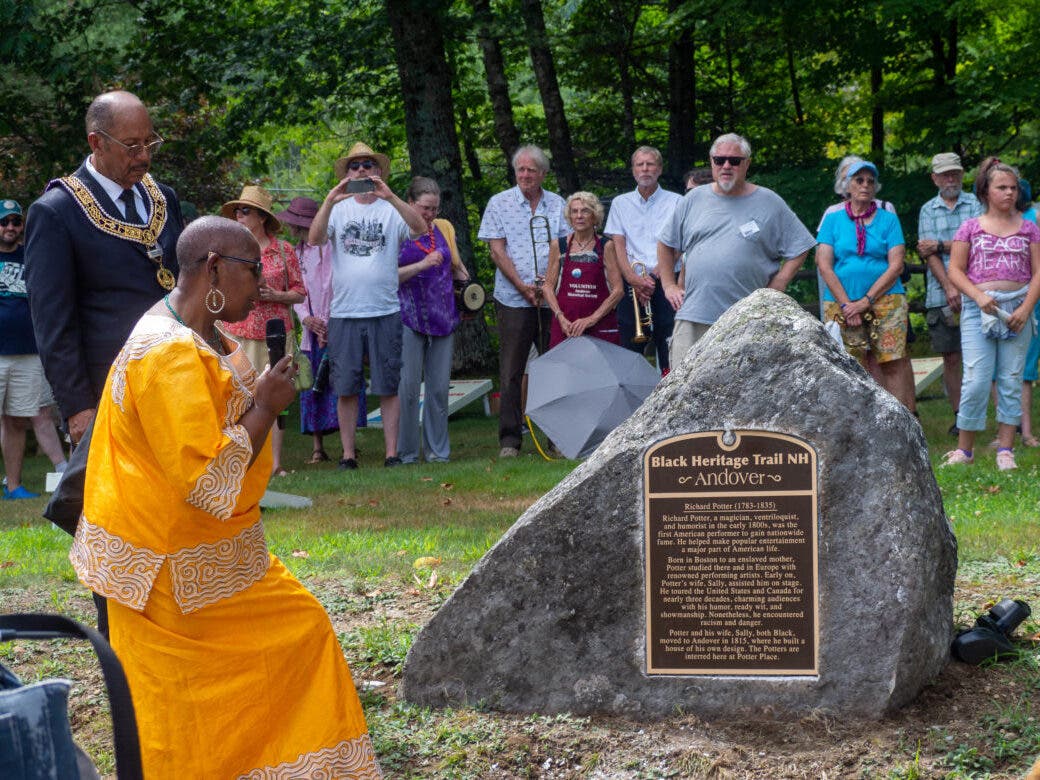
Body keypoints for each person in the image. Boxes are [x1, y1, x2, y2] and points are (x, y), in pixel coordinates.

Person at [69, 216, 381, 777]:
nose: (262, 285)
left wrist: (261, 398)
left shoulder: (207, 336)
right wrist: (266, 408)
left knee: (299, 636)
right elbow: (208, 481)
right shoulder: (165, 354)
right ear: (213, 266)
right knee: (182, 706)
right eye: (252, 270)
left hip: (208, 552)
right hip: (164, 569)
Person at [25, 90, 184, 445]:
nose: (144, 156)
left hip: (176, 378)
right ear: (96, 142)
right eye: (131, 146)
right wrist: (77, 406)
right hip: (108, 388)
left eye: (149, 142)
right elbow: (53, 322)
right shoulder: (56, 212)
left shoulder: (164, 197)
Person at [308, 142, 426, 469]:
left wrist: (391, 197)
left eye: (368, 165)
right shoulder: (338, 209)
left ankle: (391, 454)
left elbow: (420, 229)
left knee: (388, 384)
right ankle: (348, 455)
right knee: (345, 385)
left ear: (378, 172)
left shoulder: (391, 209)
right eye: (355, 166)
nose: (361, 170)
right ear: (346, 174)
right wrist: (330, 200)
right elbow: (315, 238)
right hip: (345, 312)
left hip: (385, 309)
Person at [658, 133, 815, 367]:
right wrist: (669, 285)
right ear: (711, 162)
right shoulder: (693, 199)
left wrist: (781, 281)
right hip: (694, 315)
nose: (726, 166)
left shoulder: (769, 201)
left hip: (749, 318)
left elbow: (801, 245)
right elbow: (665, 243)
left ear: (747, 164)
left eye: (734, 160)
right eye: (719, 160)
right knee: (685, 391)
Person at [942, 158, 1040, 470]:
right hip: (978, 310)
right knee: (976, 379)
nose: (1009, 193)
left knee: (1011, 378)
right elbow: (955, 271)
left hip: (1018, 308)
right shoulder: (969, 228)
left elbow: (1038, 273)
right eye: (1002, 187)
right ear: (986, 191)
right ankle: (964, 451)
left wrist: (1026, 309)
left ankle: (1005, 450)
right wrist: (979, 296)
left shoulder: (1029, 229)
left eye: (1013, 188)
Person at [478, 144, 569, 458]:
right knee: (512, 370)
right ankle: (510, 441)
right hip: (512, 299)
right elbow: (496, 250)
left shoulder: (558, 204)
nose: (526, 175)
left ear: (542, 173)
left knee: (555, 368)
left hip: (550, 299)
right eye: (521, 170)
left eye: (532, 170)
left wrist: (548, 286)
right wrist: (522, 286)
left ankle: (559, 437)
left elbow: (563, 249)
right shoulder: (499, 203)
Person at [220, 185, 306, 478]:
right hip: (237, 330)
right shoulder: (229, 249)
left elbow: (299, 293)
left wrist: (275, 296)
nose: (239, 216)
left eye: (245, 211)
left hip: (274, 333)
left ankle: (274, 463)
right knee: (238, 397)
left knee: (276, 395)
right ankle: (241, 460)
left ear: (261, 217)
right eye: (236, 212)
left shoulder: (283, 250)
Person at [816, 161, 915, 409]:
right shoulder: (833, 219)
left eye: (870, 181)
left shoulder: (888, 219)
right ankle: (857, 428)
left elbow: (896, 264)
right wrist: (847, 304)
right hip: (841, 301)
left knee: (892, 361)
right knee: (847, 365)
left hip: (886, 298)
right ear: (846, 185)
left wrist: (865, 301)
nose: (865, 185)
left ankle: (900, 426)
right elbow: (824, 264)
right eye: (859, 180)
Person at [280, 196, 366, 463]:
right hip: (310, 329)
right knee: (312, 386)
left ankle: (347, 445)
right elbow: (296, 291)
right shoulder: (295, 253)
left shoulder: (330, 248)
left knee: (341, 383)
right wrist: (307, 319)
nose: (291, 228)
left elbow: (334, 284)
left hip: (337, 323)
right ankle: (317, 447)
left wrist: (327, 323)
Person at [396, 177, 470, 463]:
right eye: (425, 208)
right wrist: (421, 265)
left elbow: (456, 266)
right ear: (410, 203)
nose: (430, 215)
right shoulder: (399, 231)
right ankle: (407, 454)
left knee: (439, 389)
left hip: (444, 316)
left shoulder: (444, 228)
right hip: (408, 316)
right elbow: (390, 277)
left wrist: (467, 286)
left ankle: (438, 453)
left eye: (434, 209)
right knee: (409, 389)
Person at [0, 199, 67, 499]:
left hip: (29, 350)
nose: (11, 227)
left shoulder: (30, 256)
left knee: (21, 419)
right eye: (5, 222)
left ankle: (15, 486)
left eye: (16, 221)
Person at [917, 152, 982, 435]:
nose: (950, 178)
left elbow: (979, 244)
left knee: (981, 356)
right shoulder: (927, 209)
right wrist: (949, 286)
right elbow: (925, 253)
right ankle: (959, 416)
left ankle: (997, 416)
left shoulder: (977, 204)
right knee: (951, 357)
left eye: (954, 173)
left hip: (979, 289)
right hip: (940, 292)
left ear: (962, 174)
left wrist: (942, 245)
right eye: (944, 174)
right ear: (934, 178)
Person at [604, 147, 682, 373]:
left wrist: (655, 276)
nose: (645, 169)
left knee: (669, 341)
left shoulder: (676, 201)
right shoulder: (620, 203)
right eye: (640, 164)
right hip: (633, 282)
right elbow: (618, 244)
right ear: (633, 170)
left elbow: (679, 244)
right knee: (630, 345)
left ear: (659, 169)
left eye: (650, 164)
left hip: (667, 280)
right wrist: (632, 278)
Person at [543, 191, 624, 348]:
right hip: (565, 326)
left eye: (585, 211)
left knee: (599, 371)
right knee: (564, 371)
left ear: (594, 216)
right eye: (574, 211)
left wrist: (591, 319)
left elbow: (618, 290)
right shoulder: (558, 245)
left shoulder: (606, 246)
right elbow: (547, 286)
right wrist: (560, 317)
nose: (579, 216)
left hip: (599, 325)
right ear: (569, 216)